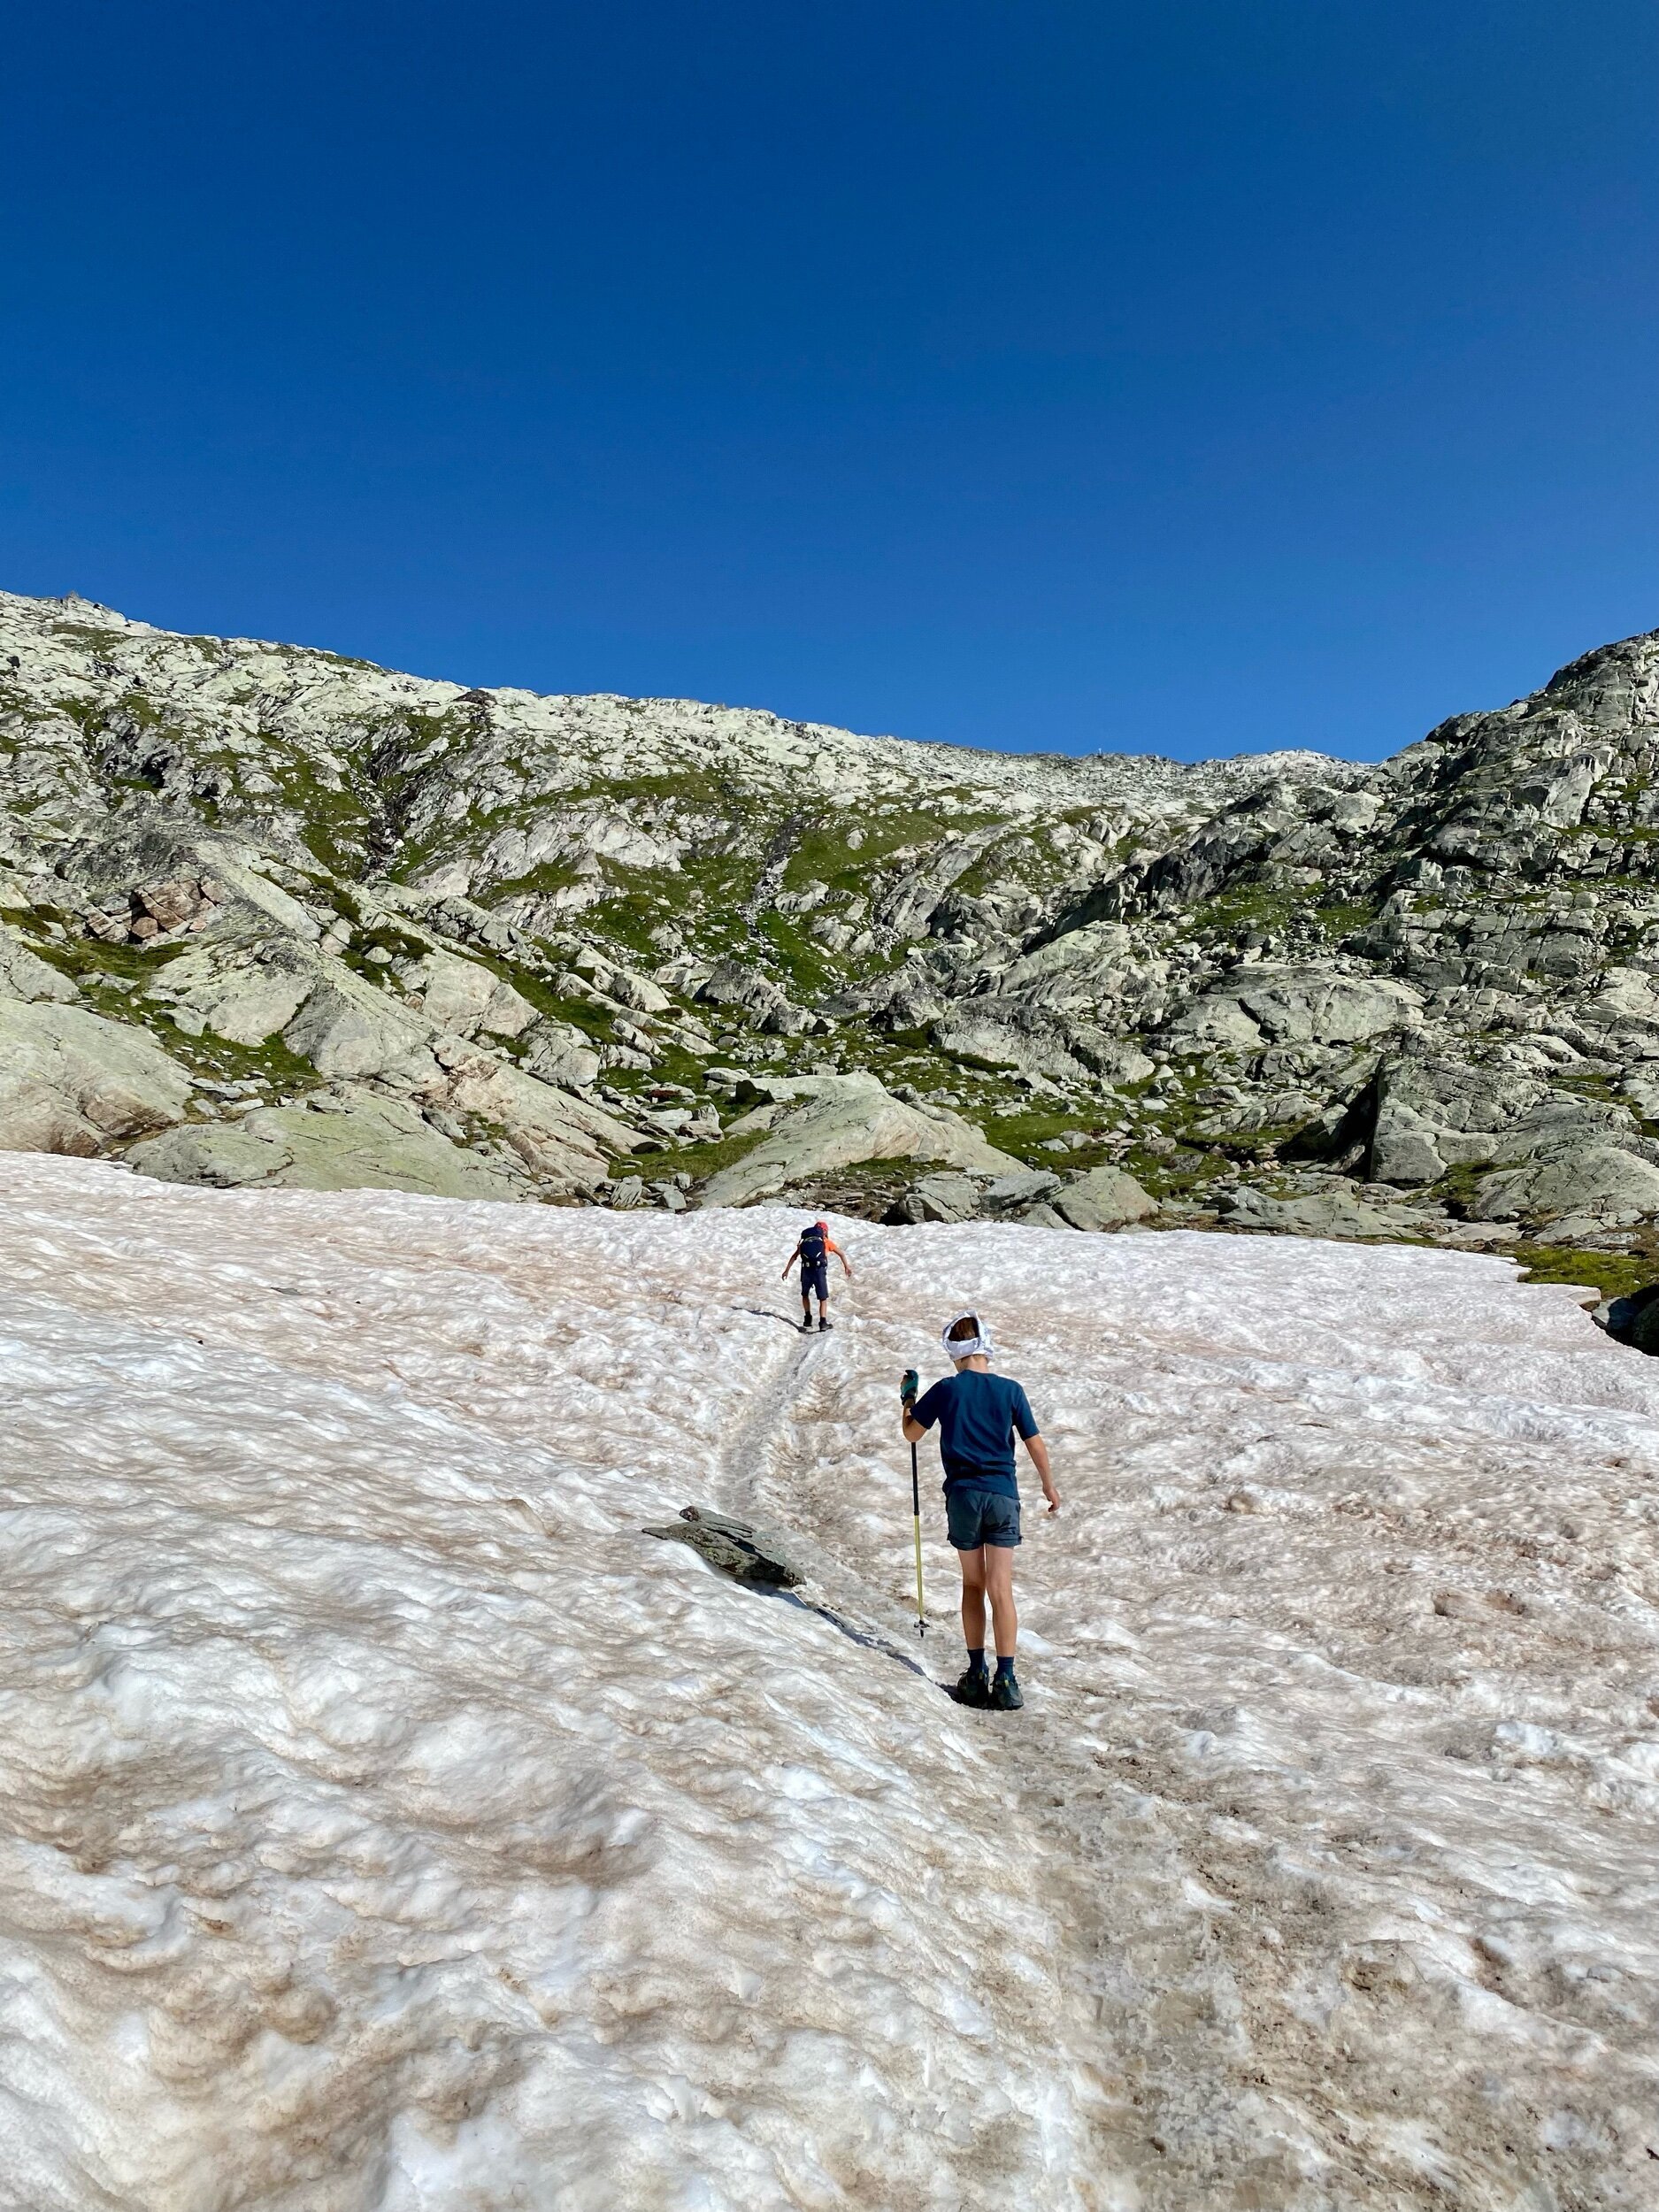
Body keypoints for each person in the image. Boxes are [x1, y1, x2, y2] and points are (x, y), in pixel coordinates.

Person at [901, 1310, 1058, 1710]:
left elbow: (911, 1433)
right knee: (1000, 1589)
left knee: (973, 1584)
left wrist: (908, 1399)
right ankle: (1007, 1679)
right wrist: (1049, 1485)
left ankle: (975, 1673)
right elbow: (1034, 1443)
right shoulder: (1011, 1390)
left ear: (953, 1351)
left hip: (964, 1496)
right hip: (1003, 1494)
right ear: (985, 1346)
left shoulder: (948, 1389)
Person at [781, 1217, 852, 1332]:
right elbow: (841, 1254)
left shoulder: (805, 1242)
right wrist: (846, 1267)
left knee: (805, 1294)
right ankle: (823, 1322)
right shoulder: (826, 1242)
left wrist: (786, 1270)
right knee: (822, 1298)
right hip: (819, 1271)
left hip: (806, 1270)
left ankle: (807, 1318)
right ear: (825, 1231)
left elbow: (794, 1257)